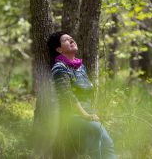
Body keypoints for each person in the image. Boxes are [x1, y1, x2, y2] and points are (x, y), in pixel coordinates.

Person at [47, 31, 116, 159]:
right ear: (59, 49)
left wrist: (92, 113)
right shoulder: (59, 67)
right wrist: (85, 115)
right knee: (97, 148)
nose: (71, 40)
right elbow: (66, 94)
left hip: (88, 115)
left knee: (108, 145)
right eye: (66, 40)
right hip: (72, 117)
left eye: (71, 38)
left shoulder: (81, 67)